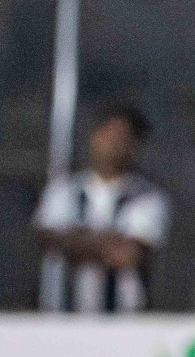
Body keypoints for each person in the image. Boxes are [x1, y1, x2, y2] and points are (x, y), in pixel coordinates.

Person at [35, 105, 169, 313]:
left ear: (134, 145)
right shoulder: (64, 190)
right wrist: (106, 242)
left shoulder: (148, 197)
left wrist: (76, 241)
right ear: (93, 137)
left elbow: (129, 253)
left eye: (122, 136)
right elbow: (49, 239)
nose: (113, 143)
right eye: (108, 134)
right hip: (61, 313)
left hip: (123, 318)